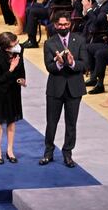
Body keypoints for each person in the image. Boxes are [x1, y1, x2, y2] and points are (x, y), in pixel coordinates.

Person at [40, 12, 85, 168]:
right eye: (60, 24)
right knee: (51, 122)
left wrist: (72, 63)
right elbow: (49, 66)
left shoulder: (79, 40)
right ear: (55, 25)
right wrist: (59, 63)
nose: (63, 27)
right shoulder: (49, 43)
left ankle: (68, 154)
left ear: (70, 24)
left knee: (71, 123)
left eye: (66, 24)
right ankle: (48, 153)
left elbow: (85, 64)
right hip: (55, 88)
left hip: (74, 88)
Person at [0, 32, 25, 164]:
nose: (18, 45)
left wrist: (22, 79)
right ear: (6, 48)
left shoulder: (19, 51)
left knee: (12, 121)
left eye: (17, 42)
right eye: (15, 44)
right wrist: (11, 69)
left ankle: (10, 150)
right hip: (0, 93)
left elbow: (22, 67)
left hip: (14, 90)